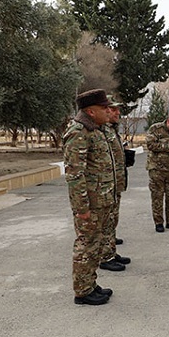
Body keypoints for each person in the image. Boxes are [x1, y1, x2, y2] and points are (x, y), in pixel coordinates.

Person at [63, 89, 119, 305]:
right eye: (104, 108)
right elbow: (75, 174)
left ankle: (90, 284)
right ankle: (82, 292)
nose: (108, 110)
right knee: (86, 245)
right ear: (90, 111)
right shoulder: (78, 132)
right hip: (90, 204)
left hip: (102, 200)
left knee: (95, 245)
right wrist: (81, 207)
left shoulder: (96, 130)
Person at [99, 95, 130, 272]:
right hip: (106, 184)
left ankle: (111, 251)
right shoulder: (102, 130)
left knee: (112, 219)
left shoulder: (111, 129)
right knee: (107, 221)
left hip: (116, 182)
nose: (118, 112)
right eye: (114, 109)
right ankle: (106, 256)